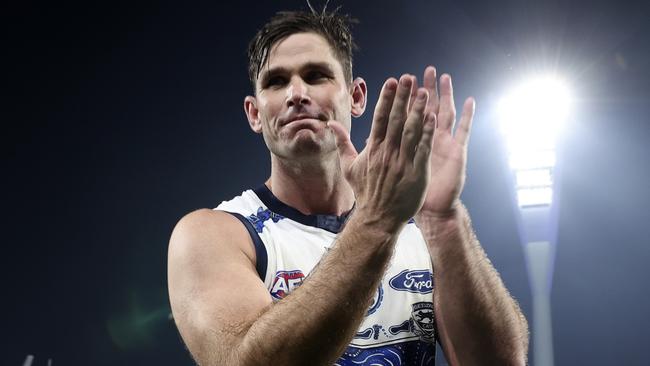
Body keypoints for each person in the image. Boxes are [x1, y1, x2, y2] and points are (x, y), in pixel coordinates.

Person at [167, 7, 528, 366]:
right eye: (275, 82)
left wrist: (443, 219)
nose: (296, 93)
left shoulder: (418, 232)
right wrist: (376, 220)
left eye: (316, 75)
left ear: (356, 97)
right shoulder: (215, 235)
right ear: (254, 113)